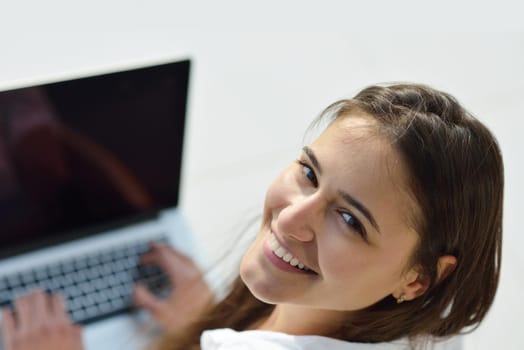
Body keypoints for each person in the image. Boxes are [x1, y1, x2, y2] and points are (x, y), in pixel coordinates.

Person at [1, 83, 504, 350]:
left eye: (350, 221)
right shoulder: (425, 327)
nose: (289, 221)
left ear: (419, 278)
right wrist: (204, 321)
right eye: (309, 173)